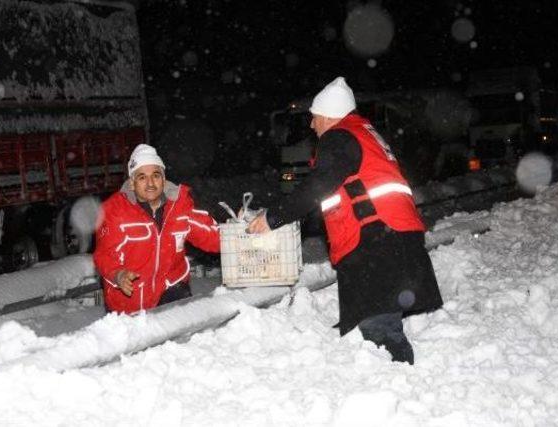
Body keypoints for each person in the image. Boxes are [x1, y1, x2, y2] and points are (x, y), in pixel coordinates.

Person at [248, 77, 443, 364]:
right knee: (376, 319)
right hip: (392, 233)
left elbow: (318, 186)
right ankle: (395, 376)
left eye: (314, 119)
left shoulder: (339, 137)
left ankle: (399, 381)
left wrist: (273, 217)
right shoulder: (363, 132)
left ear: (328, 116)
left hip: (378, 237)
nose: (312, 126)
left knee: (380, 328)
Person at [93, 144, 220, 314]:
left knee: (178, 331)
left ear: (164, 178)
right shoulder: (113, 212)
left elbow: (213, 236)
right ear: (132, 183)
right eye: (142, 177)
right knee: (136, 340)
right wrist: (118, 275)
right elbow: (105, 255)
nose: (151, 183)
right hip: (128, 302)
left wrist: (244, 230)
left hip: (171, 290)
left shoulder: (180, 207)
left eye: (156, 175)